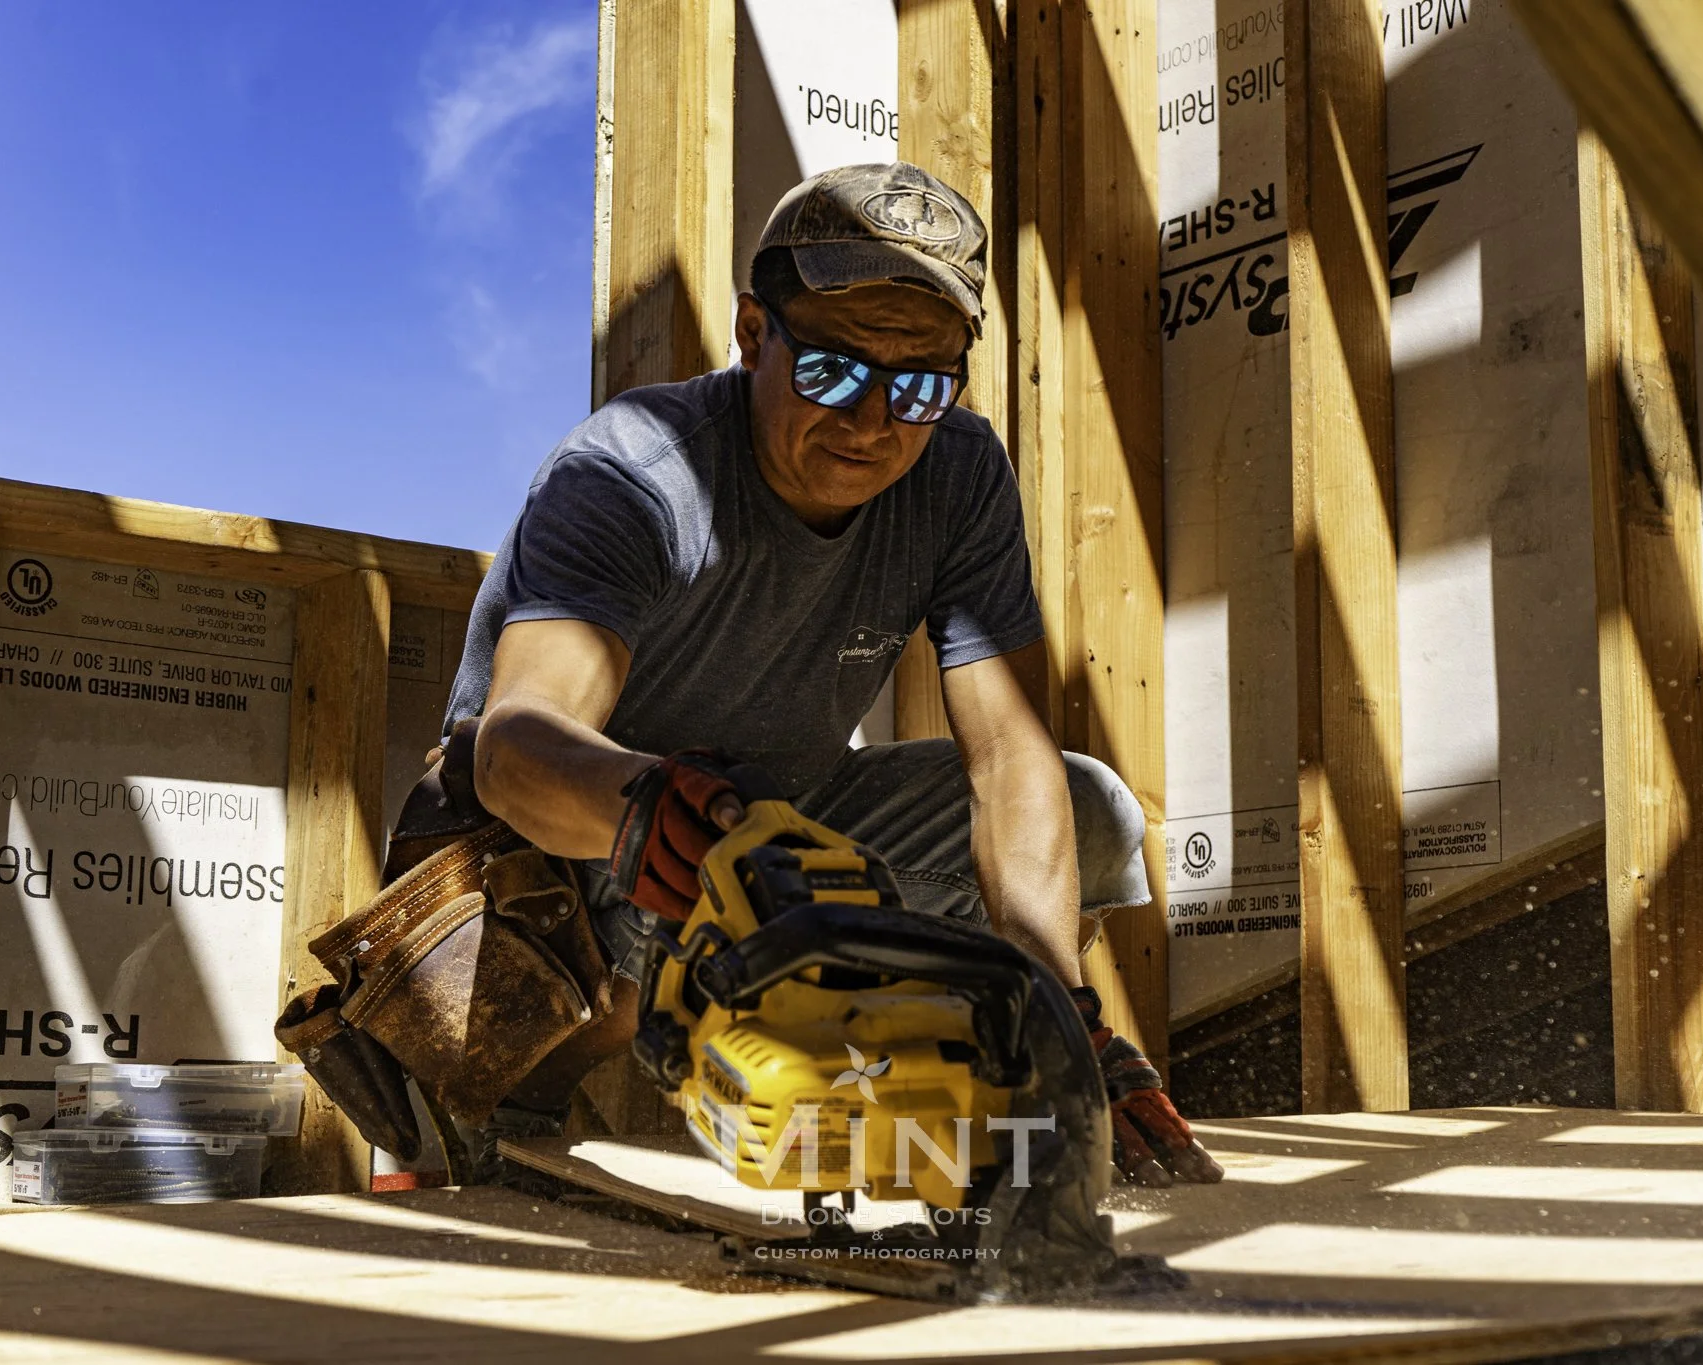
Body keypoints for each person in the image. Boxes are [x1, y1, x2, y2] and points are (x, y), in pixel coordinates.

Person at [448, 161, 1220, 1187]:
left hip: (774, 815)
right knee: (650, 958)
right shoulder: (631, 471)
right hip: (555, 843)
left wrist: (1050, 1007)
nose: (869, 423)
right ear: (754, 334)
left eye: (916, 386)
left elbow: (1009, 760)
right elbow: (514, 748)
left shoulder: (955, 472)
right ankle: (516, 1099)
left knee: (1088, 805)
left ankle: (936, 1058)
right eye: (832, 371)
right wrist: (655, 819)